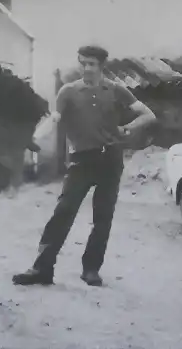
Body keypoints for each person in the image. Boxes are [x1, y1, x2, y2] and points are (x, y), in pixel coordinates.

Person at [12, 45, 157, 287]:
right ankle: (42, 269)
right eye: (83, 63)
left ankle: (91, 269)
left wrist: (128, 128)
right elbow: (54, 119)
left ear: (101, 66)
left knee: (103, 217)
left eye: (92, 64)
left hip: (110, 160)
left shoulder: (115, 90)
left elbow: (148, 115)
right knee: (63, 213)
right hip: (81, 161)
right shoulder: (68, 92)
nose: (87, 68)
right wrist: (34, 139)